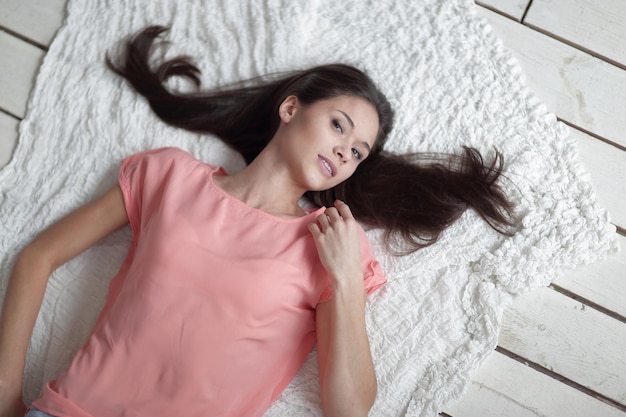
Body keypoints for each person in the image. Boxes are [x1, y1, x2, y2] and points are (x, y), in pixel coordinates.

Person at [0, 26, 515, 417]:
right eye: (339, 124)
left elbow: (348, 408)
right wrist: (7, 397)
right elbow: (38, 257)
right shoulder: (171, 176)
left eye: (358, 150)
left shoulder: (334, 244)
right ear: (291, 108)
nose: (345, 148)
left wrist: (345, 283)